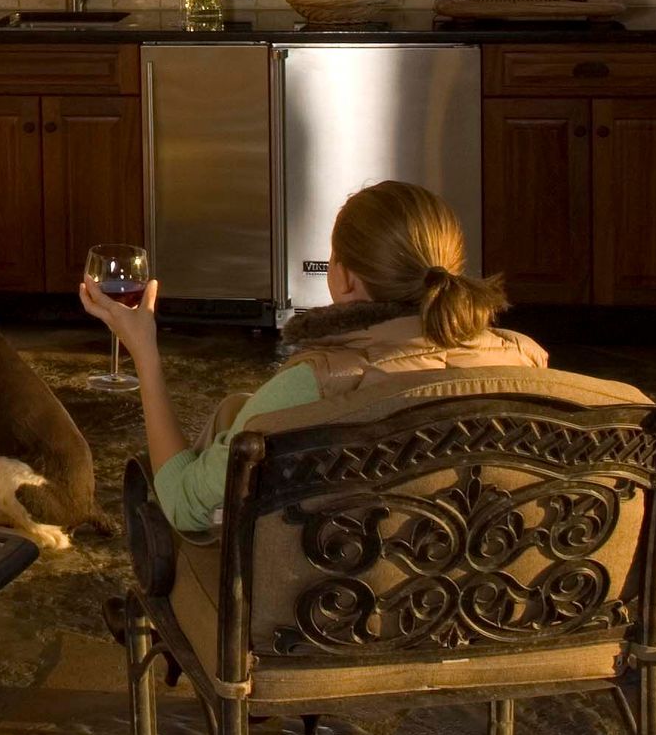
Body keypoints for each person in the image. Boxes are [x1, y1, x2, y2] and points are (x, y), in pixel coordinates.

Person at [80, 179, 547, 536]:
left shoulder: (312, 388)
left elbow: (183, 505)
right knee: (237, 411)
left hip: (327, 623)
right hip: (485, 610)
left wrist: (144, 351)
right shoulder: (525, 361)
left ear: (342, 279)